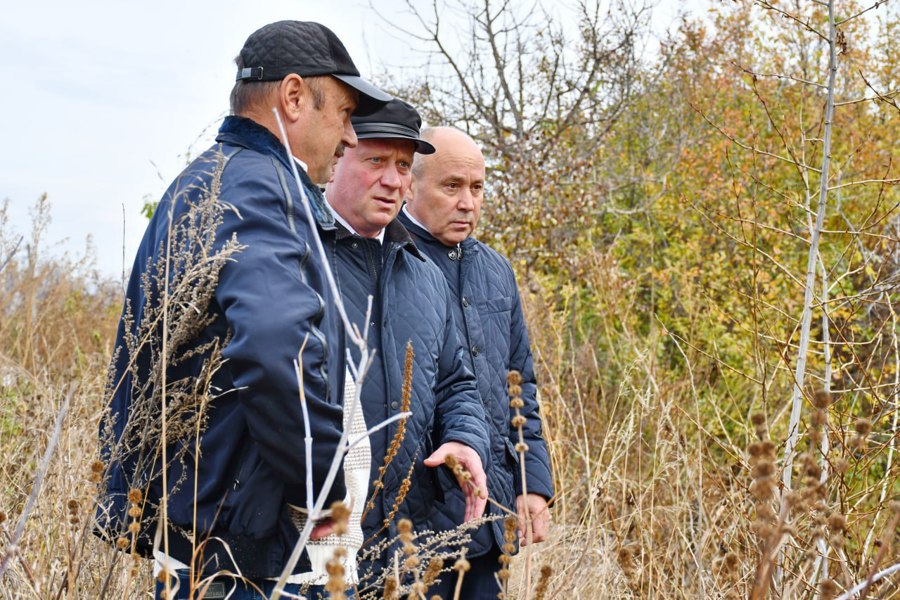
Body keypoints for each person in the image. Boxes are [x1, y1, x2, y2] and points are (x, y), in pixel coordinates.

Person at [95, 21, 391, 599]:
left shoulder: (205, 180)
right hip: (247, 553)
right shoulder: (259, 188)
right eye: (346, 113)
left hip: (201, 535)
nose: (351, 137)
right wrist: (329, 497)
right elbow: (277, 349)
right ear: (295, 96)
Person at [321, 100, 490, 590]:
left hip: (404, 542)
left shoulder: (424, 276)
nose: (393, 180)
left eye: (402, 166)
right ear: (336, 158)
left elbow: (457, 383)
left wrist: (465, 439)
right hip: (316, 535)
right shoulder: (298, 256)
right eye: (375, 161)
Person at [399, 127, 554, 598]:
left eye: (478, 187)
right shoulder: (390, 261)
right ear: (410, 185)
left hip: (491, 522)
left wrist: (533, 483)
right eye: (452, 186)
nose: (468, 202)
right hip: (415, 529)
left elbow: (519, 383)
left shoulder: (495, 270)